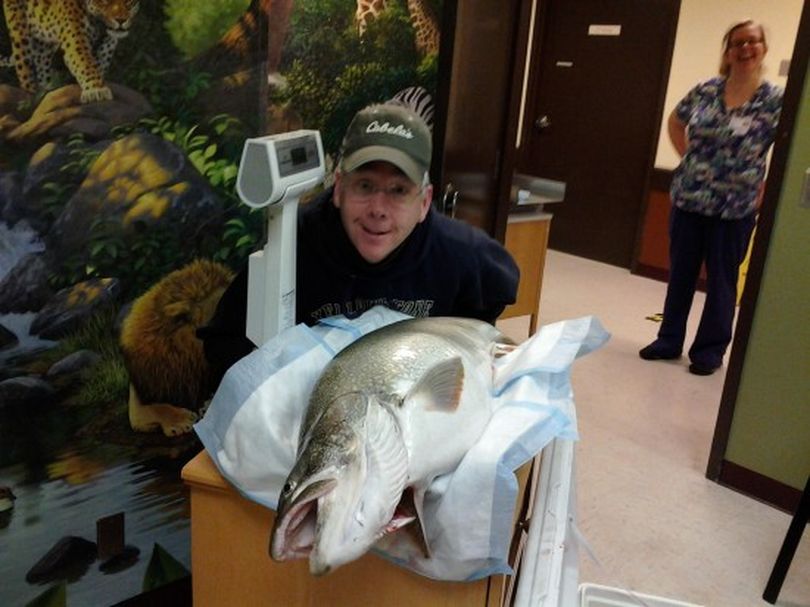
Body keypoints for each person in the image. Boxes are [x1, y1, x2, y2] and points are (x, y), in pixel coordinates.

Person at [199, 102, 520, 386]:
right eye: (365, 186)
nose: (378, 209)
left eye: (398, 190)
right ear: (338, 188)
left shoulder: (462, 254)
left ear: (425, 202)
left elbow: (484, 321)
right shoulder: (293, 245)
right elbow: (223, 342)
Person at [639, 19, 783, 376]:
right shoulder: (706, 90)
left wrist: (767, 186)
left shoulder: (775, 100)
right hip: (690, 199)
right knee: (682, 274)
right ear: (728, 51)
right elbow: (676, 121)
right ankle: (669, 339)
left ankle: (709, 351)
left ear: (763, 48)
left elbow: (789, 148)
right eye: (737, 43)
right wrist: (687, 157)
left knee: (722, 280)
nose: (745, 48)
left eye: (752, 41)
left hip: (736, 207)